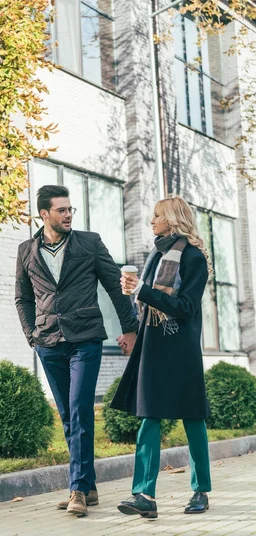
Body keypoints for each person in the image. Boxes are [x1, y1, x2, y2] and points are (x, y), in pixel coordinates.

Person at [15, 184, 138, 517]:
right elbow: (23, 298)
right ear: (44, 214)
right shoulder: (27, 250)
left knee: (81, 409)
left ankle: (78, 490)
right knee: (68, 416)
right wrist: (32, 334)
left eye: (71, 210)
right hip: (48, 342)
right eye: (62, 210)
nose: (69, 215)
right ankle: (89, 484)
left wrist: (130, 328)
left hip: (85, 339)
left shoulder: (90, 242)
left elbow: (114, 284)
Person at [111, 195, 212, 520]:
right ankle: (144, 494)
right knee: (149, 417)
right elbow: (149, 301)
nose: (151, 221)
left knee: (193, 418)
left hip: (180, 349)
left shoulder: (194, 258)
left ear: (172, 218)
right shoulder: (157, 254)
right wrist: (135, 298)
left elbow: (185, 307)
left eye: (156, 215)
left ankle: (200, 490)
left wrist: (142, 290)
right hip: (154, 346)